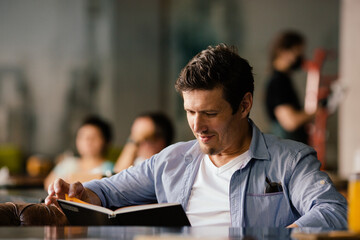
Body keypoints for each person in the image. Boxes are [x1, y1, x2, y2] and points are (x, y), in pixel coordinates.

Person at [46, 44, 347, 228]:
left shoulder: (290, 161)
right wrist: (79, 193)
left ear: (244, 105)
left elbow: (332, 210)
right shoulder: (171, 160)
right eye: (190, 112)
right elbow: (109, 191)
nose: (197, 126)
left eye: (210, 114)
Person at [265, 30, 315, 144]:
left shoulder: (282, 80)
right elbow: (290, 122)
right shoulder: (278, 82)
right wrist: (316, 112)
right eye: (298, 52)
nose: (300, 57)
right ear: (284, 52)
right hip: (289, 153)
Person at [44, 116, 114, 189]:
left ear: (107, 142)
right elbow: (48, 183)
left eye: (93, 137)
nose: (87, 142)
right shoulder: (68, 163)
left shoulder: (110, 169)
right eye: (82, 137)